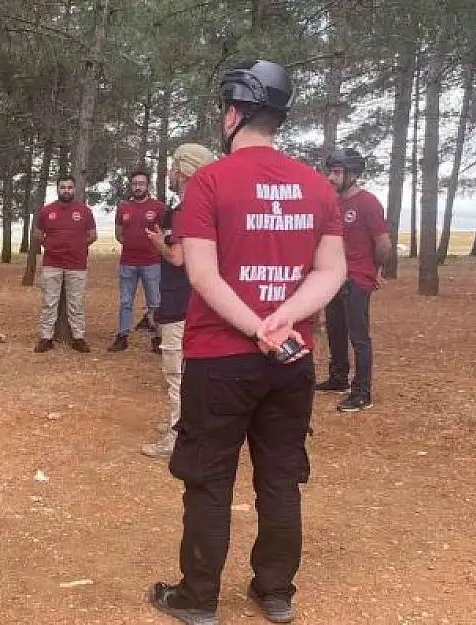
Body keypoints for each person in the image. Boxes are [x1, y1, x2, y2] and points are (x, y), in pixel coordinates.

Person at [147, 60, 347, 625]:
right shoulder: (315, 185)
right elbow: (330, 272)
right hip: (291, 360)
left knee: (209, 478)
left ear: (233, 114)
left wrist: (257, 325)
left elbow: (204, 277)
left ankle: (198, 597)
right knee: (281, 477)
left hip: (219, 360)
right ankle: (276, 590)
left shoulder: (208, 182)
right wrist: (281, 319)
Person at [139, 144, 216, 459]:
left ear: (184, 171)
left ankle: (176, 436)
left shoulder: (185, 211)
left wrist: (158, 243)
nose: (169, 173)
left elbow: (177, 257)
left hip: (179, 302)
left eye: (172, 166)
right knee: (188, 370)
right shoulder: (202, 208)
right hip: (194, 302)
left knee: (176, 371)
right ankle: (183, 425)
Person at [316, 148, 391, 412]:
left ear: (353, 174)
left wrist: (375, 269)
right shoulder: (333, 202)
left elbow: (383, 243)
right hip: (335, 277)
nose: (331, 177)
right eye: (330, 171)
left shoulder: (368, 202)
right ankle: (338, 377)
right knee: (335, 330)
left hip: (358, 278)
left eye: (337, 172)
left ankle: (362, 391)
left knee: (358, 336)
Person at [32, 175, 96, 354]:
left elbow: (92, 235)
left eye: (69, 187)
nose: (66, 191)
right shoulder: (47, 211)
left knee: (76, 303)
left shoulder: (84, 211)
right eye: (62, 187)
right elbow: (38, 233)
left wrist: (78, 246)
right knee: (49, 302)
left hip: (77, 265)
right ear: (57, 189)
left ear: (74, 189)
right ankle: (46, 338)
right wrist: (49, 246)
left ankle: (78, 338)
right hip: (52, 263)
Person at [108, 170, 166, 353]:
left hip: (152, 263)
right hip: (128, 263)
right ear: (130, 185)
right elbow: (119, 234)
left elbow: (164, 234)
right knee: (125, 301)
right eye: (135, 183)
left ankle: (158, 338)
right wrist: (133, 244)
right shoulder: (123, 207)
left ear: (148, 185)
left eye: (142, 183)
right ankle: (122, 336)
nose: (138, 187)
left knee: (155, 302)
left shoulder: (159, 207)